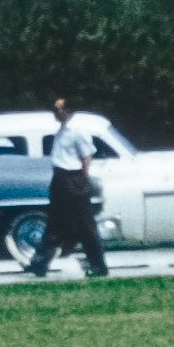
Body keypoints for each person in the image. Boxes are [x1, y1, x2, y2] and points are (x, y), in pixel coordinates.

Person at [22, 101, 110, 279]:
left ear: (69, 110)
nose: (56, 112)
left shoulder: (77, 131)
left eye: (60, 109)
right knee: (54, 223)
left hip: (73, 178)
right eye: (54, 109)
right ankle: (39, 264)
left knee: (85, 225)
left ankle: (98, 265)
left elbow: (86, 157)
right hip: (60, 179)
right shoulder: (60, 131)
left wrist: (81, 181)